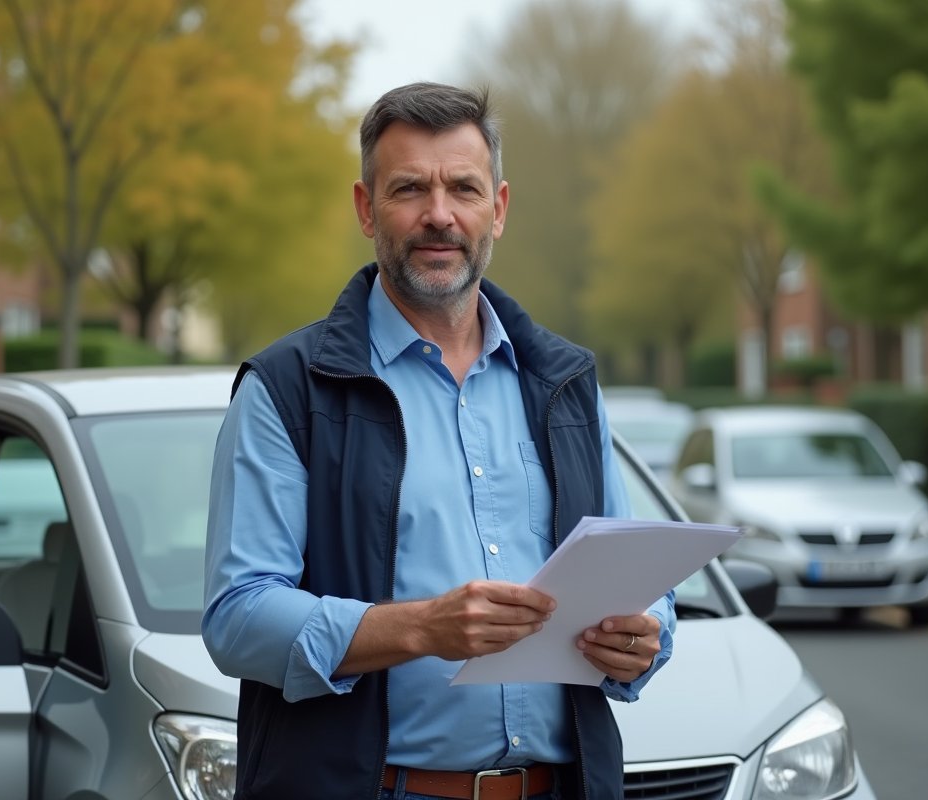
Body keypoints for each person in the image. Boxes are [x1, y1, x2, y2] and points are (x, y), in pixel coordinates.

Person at [203, 82, 676, 800]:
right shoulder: (286, 389)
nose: (439, 215)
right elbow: (238, 617)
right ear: (367, 209)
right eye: (408, 190)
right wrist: (419, 628)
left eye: (463, 188)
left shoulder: (565, 382)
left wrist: (646, 637)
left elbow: (632, 568)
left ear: (500, 209)